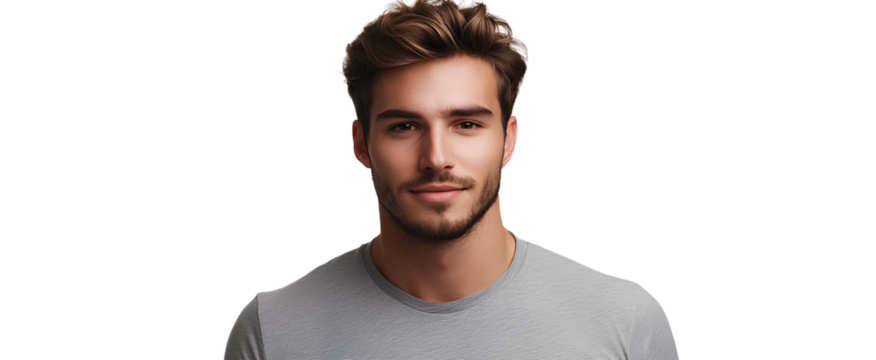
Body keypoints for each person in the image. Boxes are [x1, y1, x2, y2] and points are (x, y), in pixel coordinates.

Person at [224, 1, 678, 358]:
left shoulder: (625, 321)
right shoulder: (272, 331)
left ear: (508, 140)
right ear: (361, 143)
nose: (436, 158)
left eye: (466, 124)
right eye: (403, 126)